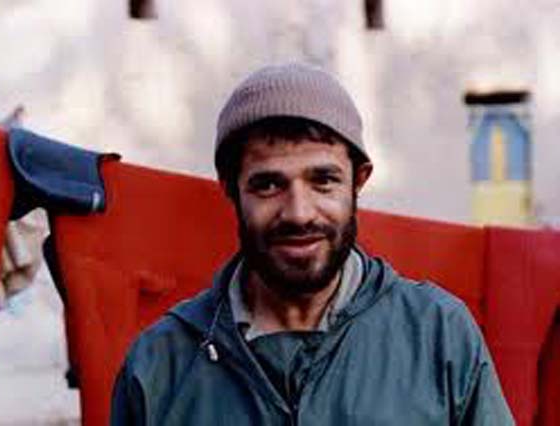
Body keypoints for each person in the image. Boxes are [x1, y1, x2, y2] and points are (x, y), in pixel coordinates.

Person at [111, 63, 514, 425]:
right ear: (231, 190)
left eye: (323, 181)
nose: (299, 213)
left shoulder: (437, 335)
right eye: (268, 185)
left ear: (358, 181)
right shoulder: (159, 366)